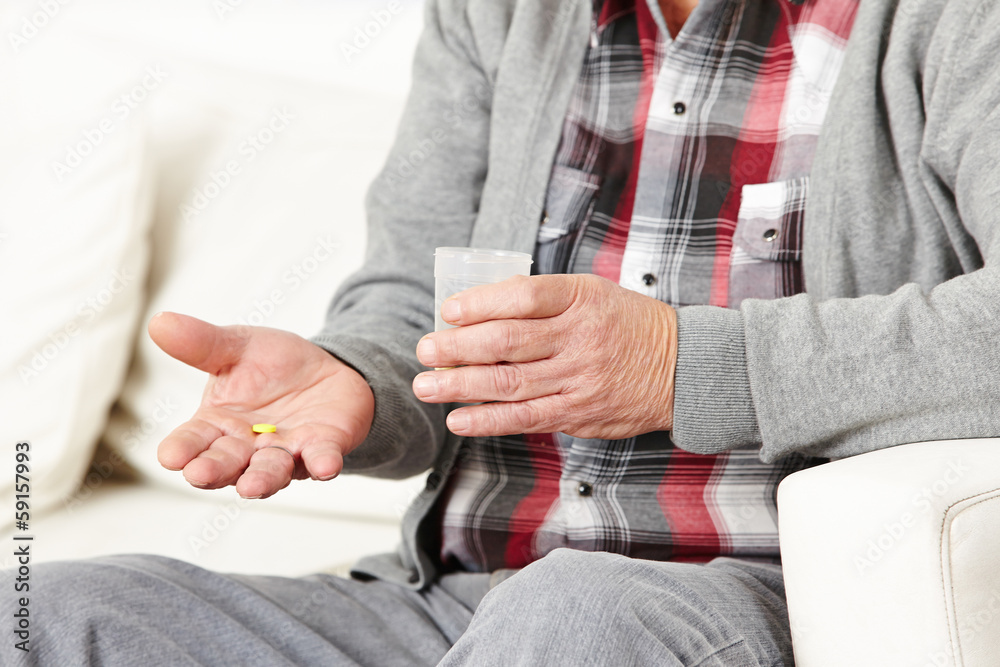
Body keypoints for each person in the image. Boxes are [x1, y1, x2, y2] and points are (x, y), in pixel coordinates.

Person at [8, 0, 1000, 664]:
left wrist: (683, 366)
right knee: (48, 617)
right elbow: (410, 302)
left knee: (573, 614)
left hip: (765, 608)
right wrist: (361, 380)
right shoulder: (495, 14)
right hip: (455, 605)